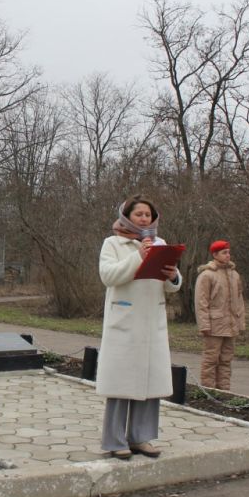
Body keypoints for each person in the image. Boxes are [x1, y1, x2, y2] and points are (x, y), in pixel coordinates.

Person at [96, 195, 182, 459]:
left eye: (148, 214)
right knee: (122, 384)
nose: (144, 219)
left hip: (152, 323)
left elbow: (170, 286)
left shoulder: (160, 243)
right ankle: (115, 440)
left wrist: (173, 276)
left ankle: (141, 438)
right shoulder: (113, 243)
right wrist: (139, 257)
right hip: (125, 323)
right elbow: (108, 276)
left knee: (149, 383)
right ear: (126, 216)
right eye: (138, 214)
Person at [194, 240, 245, 390]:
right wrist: (204, 325)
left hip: (230, 325)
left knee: (226, 359)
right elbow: (201, 302)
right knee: (211, 359)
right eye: (224, 252)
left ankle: (224, 391)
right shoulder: (207, 275)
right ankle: (209, 391)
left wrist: (240, 322)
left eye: (229, 252)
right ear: (215, 255)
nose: (228, 255)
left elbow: (239, 300)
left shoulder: (234, 275)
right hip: (214, 324)